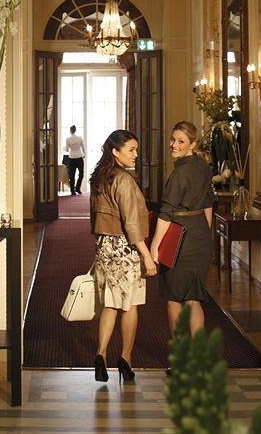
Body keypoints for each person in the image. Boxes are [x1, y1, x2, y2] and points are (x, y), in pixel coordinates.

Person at [89, 129, 158, 382]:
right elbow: (131, 223)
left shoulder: (99, 177)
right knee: (130, 305)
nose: (136, 154)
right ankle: (125, 358)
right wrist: (147, 256)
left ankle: (100, 354)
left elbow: (94, 217)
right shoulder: (124, 180)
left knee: (110, 304)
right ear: (115, 152)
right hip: (125, 248)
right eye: (131, 149)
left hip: (104, 246)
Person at [150, 121, 215, 345]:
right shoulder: (204, 167)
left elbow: (165, 214)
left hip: (179, 238)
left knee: (174, 298)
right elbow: (208, 203)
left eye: (180, 141)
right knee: (194, 298)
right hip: (200, 235)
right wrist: (205, 236)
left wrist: (155, 247)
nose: (173, 145)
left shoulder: (179, 174)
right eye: (172, 139)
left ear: (192, 144)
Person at [64, 125, 85, 195]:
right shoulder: (80, 138)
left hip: (72, 158)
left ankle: (72, 191)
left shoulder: (68, 139)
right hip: (79, 157)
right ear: (75, 130)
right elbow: (83, 148)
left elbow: (67, 150)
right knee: (81, 174)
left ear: (70, 131)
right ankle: (78, 188)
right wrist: (84, 154)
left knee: (72, 175)